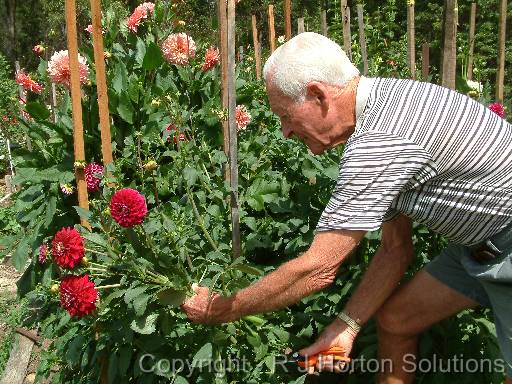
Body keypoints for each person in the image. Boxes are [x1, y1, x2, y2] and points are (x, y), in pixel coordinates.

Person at [181, 32, 512, 383]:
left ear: (318, 95)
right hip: (479, 247)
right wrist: (346, 327)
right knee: (397, 321)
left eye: (285, 115)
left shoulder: (379, 144)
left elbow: (318, 269)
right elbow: (395, 249)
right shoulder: (386, 101)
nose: (285, 132)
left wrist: (222, 308)